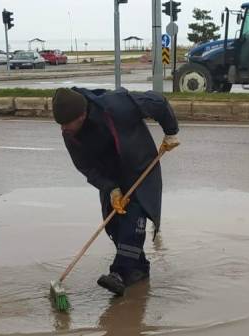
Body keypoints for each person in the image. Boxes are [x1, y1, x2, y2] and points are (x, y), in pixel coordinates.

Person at [52, 87, 180, 295]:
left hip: (139, 168)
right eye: (61, 124)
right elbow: (86, 167)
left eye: (68, 123)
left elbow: (158, 102)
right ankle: (137, 269)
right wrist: (110, 189)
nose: (64, 129)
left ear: (82, 115)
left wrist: (171, 131)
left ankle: (119, 274)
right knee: (112, 224)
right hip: (110, 176)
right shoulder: (70, 134)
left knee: (133, 221)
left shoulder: (116, 105)